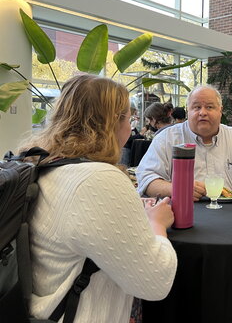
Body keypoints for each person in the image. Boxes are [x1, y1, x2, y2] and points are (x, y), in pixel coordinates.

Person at [20, 74, 177, 322]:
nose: (130, 126)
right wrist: (156, 224)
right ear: (115, 122)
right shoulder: (98, 178)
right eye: (129, 117)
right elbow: (155, 282)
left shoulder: (42, 163)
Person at [136, 85, 232, 200]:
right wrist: (178, 189)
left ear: (220, 110)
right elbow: (146, 179)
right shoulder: (167, 139)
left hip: (230, 214)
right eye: (197, 107)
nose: (203, 112)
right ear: (187, 110)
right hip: (181, 212)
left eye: (209, 107)